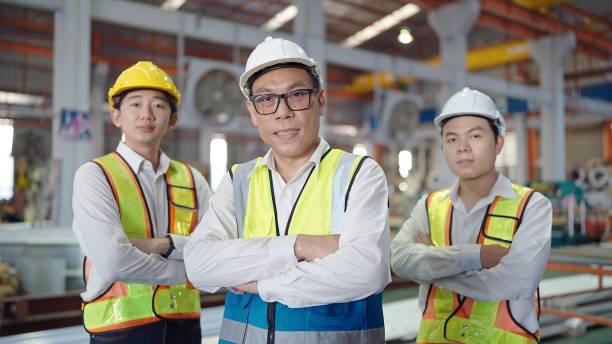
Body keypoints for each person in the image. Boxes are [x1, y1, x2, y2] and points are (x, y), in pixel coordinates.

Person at [184, 37, 390, 343]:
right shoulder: (238, 180)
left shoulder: (358, 174)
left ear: (320, 101)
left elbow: (366, 270)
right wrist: (300, 246)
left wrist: (259, 283)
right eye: (267, 100)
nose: (282, 112)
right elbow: (199, 265)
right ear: (252, 112)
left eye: (296, 95)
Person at [391, 87, 552, 343]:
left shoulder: (532, 206)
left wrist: (430, 263)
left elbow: (513, 283)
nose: (462, 148)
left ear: (499, 143)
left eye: (475, 136)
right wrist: (478, 256)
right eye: (452, 139)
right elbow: (398, 259)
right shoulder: (429, 205)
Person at [72, 61, 212, 344]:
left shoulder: (192, 179)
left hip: (184, 327)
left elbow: (216, 248)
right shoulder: (96, 176)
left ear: (172, 119)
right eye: (135, 104)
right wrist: (186, 270)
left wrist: (160, 244)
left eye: (158, 106)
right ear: (116, 116)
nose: (146, 114)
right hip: (119, 328)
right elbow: (113, 261)